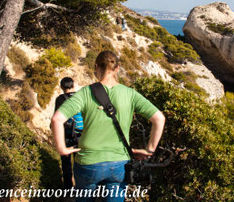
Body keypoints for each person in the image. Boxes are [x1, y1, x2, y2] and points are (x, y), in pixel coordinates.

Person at [51, 51, 165, 202]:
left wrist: (61, 149)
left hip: (88, 162)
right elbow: (159, 118)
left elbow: (57, 119)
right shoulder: (130, 94)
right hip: (119, 164)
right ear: (117, 68)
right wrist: (149, 150)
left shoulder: (85, 93)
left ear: (96, 67)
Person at [54, 77, 84, 189]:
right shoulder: (80, 97)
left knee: (66, 164)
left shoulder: (60, 99)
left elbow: (56, 118)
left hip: (66, 136)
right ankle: (81, 188)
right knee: (80, 163)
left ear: (61, 87)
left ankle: (68, 189)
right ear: (73, 85)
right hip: (81, 135)